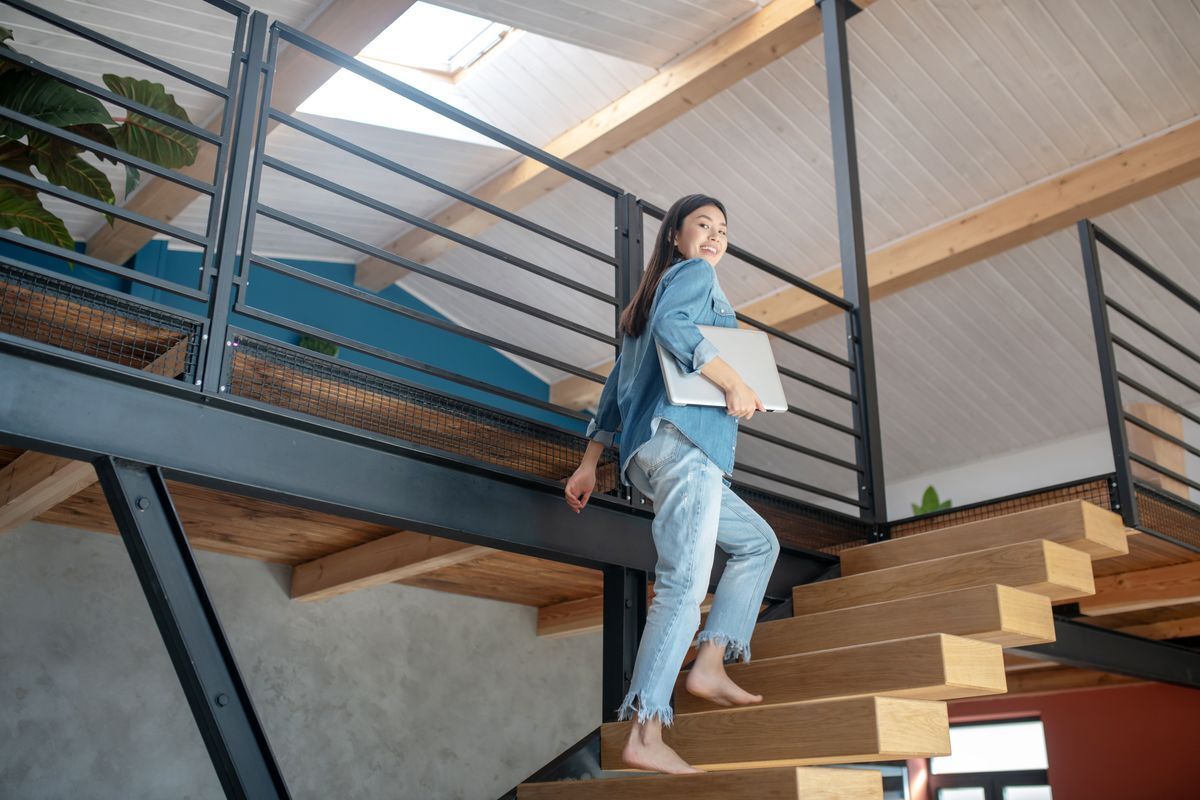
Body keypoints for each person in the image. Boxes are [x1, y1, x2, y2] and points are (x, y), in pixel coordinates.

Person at [563, 194, 781, 775]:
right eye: (702, 225)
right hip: (686, 444)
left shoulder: (646, 300)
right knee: (683, 584)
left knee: (758, 544)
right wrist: (733, 381)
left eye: (722, 230)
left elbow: (616, 387)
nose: (714, 237)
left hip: (654, 452)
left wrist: (589, 463)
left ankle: (709, 664)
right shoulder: (693, 277)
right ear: (675, 236)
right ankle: (646, 732)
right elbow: (674, 327)